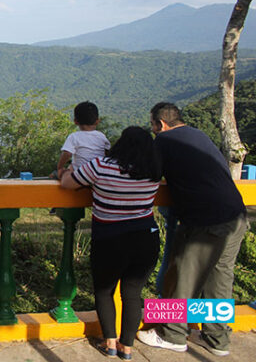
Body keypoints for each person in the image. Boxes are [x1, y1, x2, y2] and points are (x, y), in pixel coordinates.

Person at [137, 102, 248, 357]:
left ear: (160, 124)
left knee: (184, 274)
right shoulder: (198, 134)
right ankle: (217, 339)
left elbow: (147, 174)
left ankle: (172, 334)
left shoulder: (163, 141)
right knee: (220, 280)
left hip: (205, 219)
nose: (153, 131)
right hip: (236, 214)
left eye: (153, 126)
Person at [60, 126, 161, 360]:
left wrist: (63, 172)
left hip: (110, 238)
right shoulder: (154, 171)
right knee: (133, 293)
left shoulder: (102, 166)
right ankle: (127, 347)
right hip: (146, 237)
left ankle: (111, 343)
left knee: (104, 292)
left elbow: (68, 183)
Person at [56, 101, 110, 179]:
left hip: (80, 175)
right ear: (97, 121)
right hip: (98, 173)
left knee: (68, 168)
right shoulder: (102, 136)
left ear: (75, 121)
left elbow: (67, 153)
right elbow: (107, 153)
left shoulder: (74, 137)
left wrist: (60, 168)